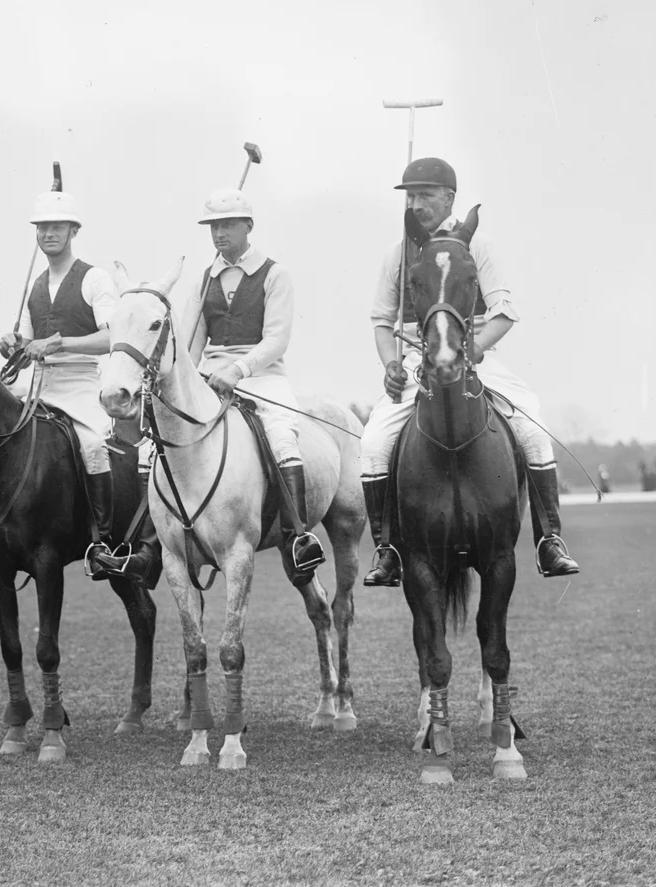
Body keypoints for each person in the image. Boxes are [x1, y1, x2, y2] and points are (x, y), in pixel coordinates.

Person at [360, 157, 578, 585]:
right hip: (417, 359)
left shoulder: (478, 245)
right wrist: (391, 364)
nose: (416, 204)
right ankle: (388, 549)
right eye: (411, 196)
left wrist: (473, 349)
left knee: (532, 428)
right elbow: (382, 321)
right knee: (372, 443)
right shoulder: (397, 253)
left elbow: (504, 311)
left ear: (449, 198)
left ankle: (549, 540)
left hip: (474, 355)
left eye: (425, 195)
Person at [0, 187, 120, 583]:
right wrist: (12, 344)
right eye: (42, 227)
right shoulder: (36, 286)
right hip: (38, 386)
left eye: (56, 227)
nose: (48, 234)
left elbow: (112, 337)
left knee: (93, 446)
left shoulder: (95, 278)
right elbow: (25, 344)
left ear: (73, 230)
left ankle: (103, 543)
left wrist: (59, 343)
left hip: (79, 385)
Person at [171, 187, 327, 572]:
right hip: (210, 377)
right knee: (162, 440)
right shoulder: (203, 281)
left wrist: (238, 370)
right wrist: (184, 383)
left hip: (262, 376)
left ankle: (298, 537)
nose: (219, 233)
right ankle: (146, 545)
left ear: (248, 226)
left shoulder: (275, 274)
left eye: (227, 225)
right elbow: (189, 346)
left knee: (282, 437)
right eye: (214, 226)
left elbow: (276, 340)